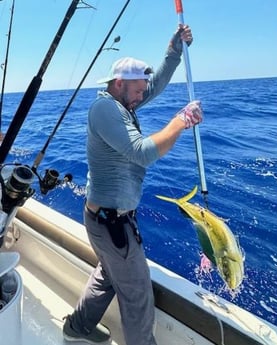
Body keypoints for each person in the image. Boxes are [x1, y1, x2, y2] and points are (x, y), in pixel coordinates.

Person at [63, 24, 203, 345]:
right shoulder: (104, 109)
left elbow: (156, 84)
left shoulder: (122, 102)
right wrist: (181, 120)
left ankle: (77, 328)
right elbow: (141, 153)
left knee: (108, 277)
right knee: (138, 293)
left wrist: (174, 50)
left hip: (105, 219)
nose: (143, 95)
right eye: (138, 90)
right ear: (120, 83)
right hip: (111, 224)